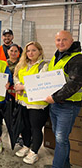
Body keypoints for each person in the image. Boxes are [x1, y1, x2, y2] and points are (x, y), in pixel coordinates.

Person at [44, 30, 82, 168]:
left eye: (64, 39)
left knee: (61, 139)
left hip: (68, 106)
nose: (61, 42)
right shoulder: (58, 56)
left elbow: (74, 84)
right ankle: (65, 165)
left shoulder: (77, 58)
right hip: (55, 104)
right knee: (61, 138)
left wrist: (54, 97)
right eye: (58, 40)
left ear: (72, 41)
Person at [13, 41, 49, 164]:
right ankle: (27, 146)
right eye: (28, 51)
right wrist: (17, 84)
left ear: (40, 51)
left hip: (37, 104)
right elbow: (16, 76)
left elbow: (41, 83)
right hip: (23, 102)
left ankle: (34, 152)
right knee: (25, 127)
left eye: (34, 50)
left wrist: (22, 87)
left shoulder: (44, 66)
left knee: (36, 128)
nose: (30, 53)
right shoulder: (22, 64)